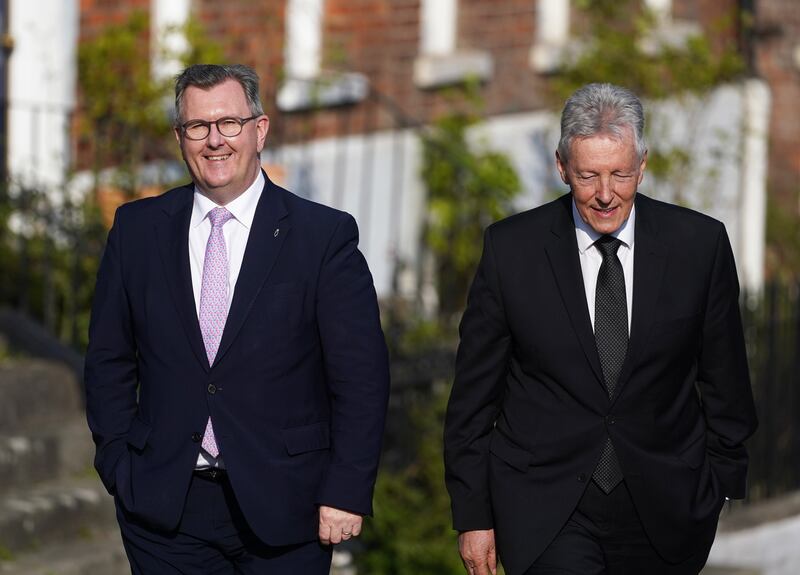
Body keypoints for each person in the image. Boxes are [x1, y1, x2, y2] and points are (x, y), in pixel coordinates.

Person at [84, 63, 390, 574]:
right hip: (165, 508)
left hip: (288, 506)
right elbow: (108, 360)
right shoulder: (137, 231)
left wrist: (347, 489)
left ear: (260, 130)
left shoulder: (322, 238)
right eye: (197, 127)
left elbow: (361, 378)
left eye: (229, 123)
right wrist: (120, 466)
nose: (214, 141)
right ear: (180, 138)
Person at [443, 82, 758, 575]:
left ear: (643, 164)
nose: (606, 195)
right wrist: (473, 514)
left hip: (666, 507)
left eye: (621, 174)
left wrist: (718, 487)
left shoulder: (699, 246)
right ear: (562, 167)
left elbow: (726, 382)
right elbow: (473, 400)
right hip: (545, 508)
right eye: (589, 176)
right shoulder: (512, 252)